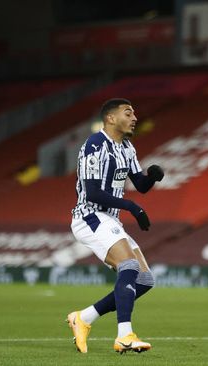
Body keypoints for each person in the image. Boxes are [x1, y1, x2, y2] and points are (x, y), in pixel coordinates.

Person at [66, 98, 164, 354]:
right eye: (128, 113)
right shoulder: (95, 145)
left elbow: (140, 184)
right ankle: (124, 335)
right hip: (90, 216)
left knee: (144, 280)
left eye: (134, 113)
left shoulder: (127, 147)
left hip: (110, 219)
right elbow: (92, 193)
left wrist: (151, 177)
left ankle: (84, 317)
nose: (134, 118)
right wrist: (131, 207)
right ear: (110, 118)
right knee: (129, 265)